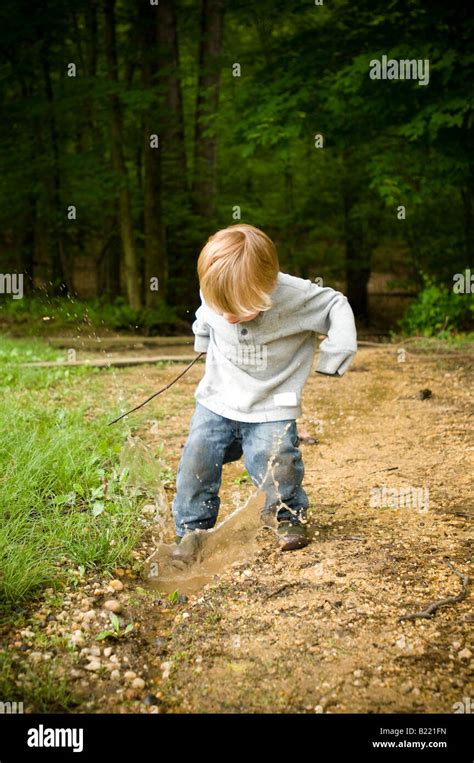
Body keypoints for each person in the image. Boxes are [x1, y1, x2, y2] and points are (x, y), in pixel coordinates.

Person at [171, 223, 357, 562]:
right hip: (219, 397)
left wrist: (337, 350)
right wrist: (201, 337)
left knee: (277, 460)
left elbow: (336, 305)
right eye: (220, 307)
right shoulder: (216, 288)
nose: (227, 317)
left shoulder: (297, 297)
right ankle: (191, 530)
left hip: (273, 401)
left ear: (268, 285)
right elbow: (204, 314)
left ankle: (286, 517)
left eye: (238, 309)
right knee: (197, 457)